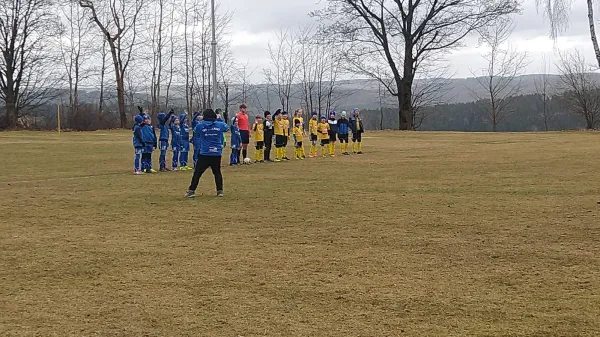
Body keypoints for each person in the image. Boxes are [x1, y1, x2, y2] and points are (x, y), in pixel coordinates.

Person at [185, 109, 230, 198]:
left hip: (204, 153)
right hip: (216, 153)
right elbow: (227, 127)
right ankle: (219, 191)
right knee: (217, 172)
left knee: (197, 173)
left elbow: (195, 131)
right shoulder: (219, 124)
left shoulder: (201, 125)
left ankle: (191, 191)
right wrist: (220, 119)